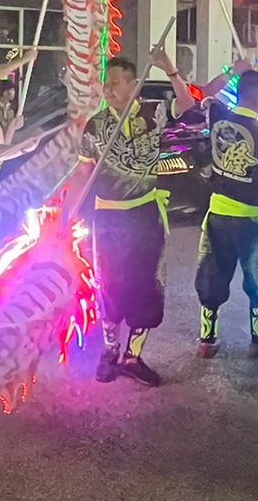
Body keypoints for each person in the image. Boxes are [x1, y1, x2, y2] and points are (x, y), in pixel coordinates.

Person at [83, 47, 195, 387]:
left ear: (133, 86)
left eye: (115, 83)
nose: (108, 89)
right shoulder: (96, 124)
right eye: (106, 83)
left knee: (146, 287)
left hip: (145, 214)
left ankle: (133, 356)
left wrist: (171, 70)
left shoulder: (154, 113)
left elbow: (188, 106)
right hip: (109, 219)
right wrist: (67, 210)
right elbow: (83, 171)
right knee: (109, 287)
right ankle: (110, 350)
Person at [192, 65, 258, 358]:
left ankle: (206, 341)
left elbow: (203, 99)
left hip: (218, 213)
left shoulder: (218, 119)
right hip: (251, 217)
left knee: (213, 273)